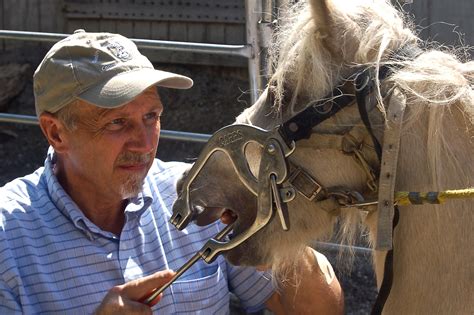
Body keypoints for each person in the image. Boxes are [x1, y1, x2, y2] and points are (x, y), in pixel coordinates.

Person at [0, 30, 343, 314]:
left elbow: (320, 310)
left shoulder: (200, 197)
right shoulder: (8, 239)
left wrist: (280, 242)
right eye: (117, 122)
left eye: (151, 117)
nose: (144, 143)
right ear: (56, 132)